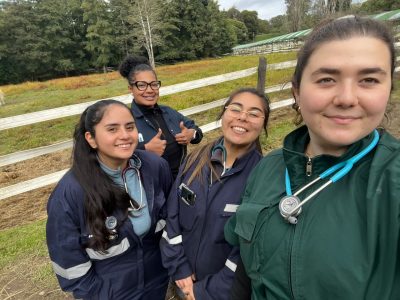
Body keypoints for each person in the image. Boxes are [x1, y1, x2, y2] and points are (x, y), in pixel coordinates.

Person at [225, 16, 400, 300]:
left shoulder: (393, 180)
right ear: (297, 91)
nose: (346, 98)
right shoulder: (268, 167)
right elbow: (245, 272)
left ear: (388, 89)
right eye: (326, 79)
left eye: (368, 80)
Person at [46, 100, 173, 300]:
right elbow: (68, 258)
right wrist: (96, 294)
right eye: (112, 129)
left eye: (129, 127)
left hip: (156, 282)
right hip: (109, 291)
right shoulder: (70, 193)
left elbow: (170, 217)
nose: (124, 135)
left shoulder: (155, 167)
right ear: (91, 138)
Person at [160, 88, 270, 300]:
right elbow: (171, 218)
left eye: (254, 113)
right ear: (223, 114)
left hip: (223, 293)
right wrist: (179, 268)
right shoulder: (194, 161)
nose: (243, 117)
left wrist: (204, 292)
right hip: (184, 282)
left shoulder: (263, 178)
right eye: (236, 109)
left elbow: (250, 252)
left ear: (263, 125)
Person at [119, 56, 203, 179]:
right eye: (141, 85)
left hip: (180, 183)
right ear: (131, 89)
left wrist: (191, 134)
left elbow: (196, 131)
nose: (149, 90)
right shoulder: (125, 120)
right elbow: (114, 158)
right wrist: (145, 150)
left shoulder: (169, 112)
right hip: (150, 190)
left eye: (154, 84)